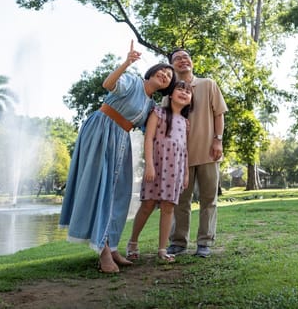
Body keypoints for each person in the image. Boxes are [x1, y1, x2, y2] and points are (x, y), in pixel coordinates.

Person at [59, 41, 175, 273]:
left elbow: (152, 132)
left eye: (170, 76)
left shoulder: (151, 106)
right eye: (163, 70)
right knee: (101, 188)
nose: (165, 75)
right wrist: (126, 62)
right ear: (152, 72)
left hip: (121, 140)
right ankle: (103, 252)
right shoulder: (132, 80)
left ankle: (111, 246)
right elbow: (108, 84)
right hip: (101, 131)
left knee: (119, 194)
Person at [166, 48, 227, 258]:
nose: (183, 60)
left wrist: (218, 141)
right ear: (172, 65)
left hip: (209, 152)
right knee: (180, 201)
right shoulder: (170, 91)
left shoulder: (208, 84)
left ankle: (205, 243)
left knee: (208, 199)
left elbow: (219, 114)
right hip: (179, 157)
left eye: (186, 57)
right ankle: (178, 242)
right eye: (177, 59)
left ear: (191, 61)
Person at [125, 78, 193, 262]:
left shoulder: (185, 123)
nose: (184, 93)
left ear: (190, 99)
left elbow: (184, 149)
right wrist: (149, 164)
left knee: (168, 208)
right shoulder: (158, 112)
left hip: (175, 170)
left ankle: (162, 249)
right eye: (180, 89)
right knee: (147, 205)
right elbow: (148, 139)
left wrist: (186, 173)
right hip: (156, 166)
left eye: (188, 91)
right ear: (171, 94)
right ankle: (132, 242)